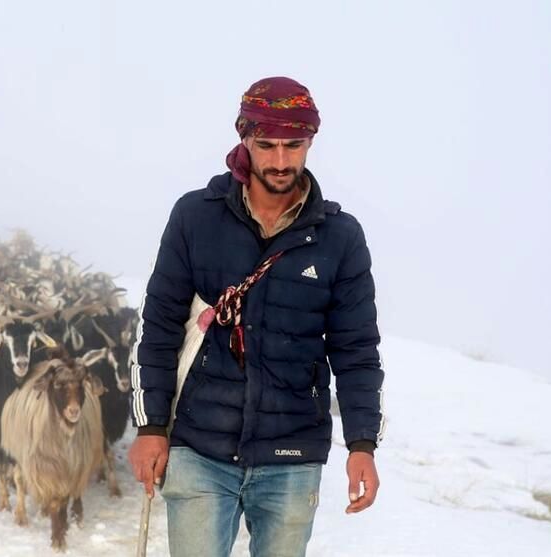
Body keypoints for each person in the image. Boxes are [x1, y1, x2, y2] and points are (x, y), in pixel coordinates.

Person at [128, 76, 385, 557]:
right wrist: (150, 428)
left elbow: (356, 351)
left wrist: (362, 444)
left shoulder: (340, 237)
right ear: (244, 138)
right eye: (266, 144)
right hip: (198, 446)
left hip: (292, 453)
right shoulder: (194, 217)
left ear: (311, 142)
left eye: (294, 145)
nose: (281, 160)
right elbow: (158, 329)